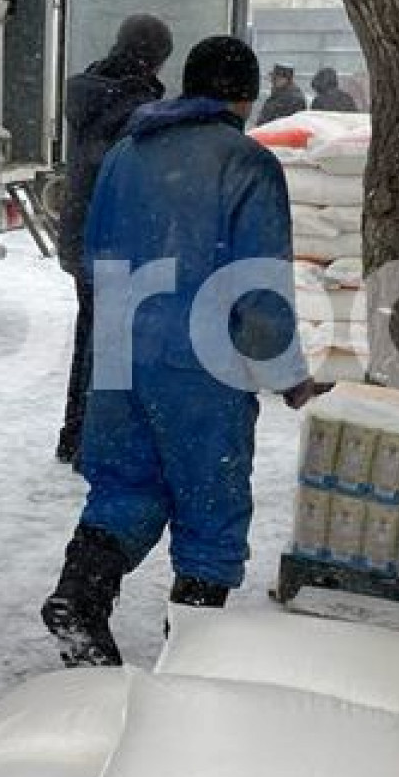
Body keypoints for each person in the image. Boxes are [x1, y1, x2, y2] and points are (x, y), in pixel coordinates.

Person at [42, 36, 320, 668]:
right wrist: (288, 376)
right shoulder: (247, 164)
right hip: (201, 362)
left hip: (118, 351)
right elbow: (258, 288)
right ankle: (189, 658)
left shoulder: (123, 155)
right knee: (210, 506)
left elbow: (92, 251)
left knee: (125, 485)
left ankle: (79, 598)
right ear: (244, 98)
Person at [55, 15, 175, 464]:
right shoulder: (135, 106)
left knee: (92, 330)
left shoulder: (90, 89)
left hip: (80, 230)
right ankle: (93, 440)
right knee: (110, 341)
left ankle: (74, 433)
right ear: (157, 58)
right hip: (113, 234)